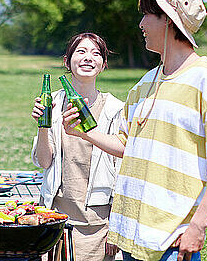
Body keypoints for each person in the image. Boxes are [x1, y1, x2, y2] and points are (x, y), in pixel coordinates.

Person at [62, 0, 207, 261]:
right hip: (133, 237)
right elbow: (125, 143)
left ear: (168, 21)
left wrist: (197, 226)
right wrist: (84, 133)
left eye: (147, 14)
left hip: (171, 240)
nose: (141, 24)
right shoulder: (146, 82)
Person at [31, 32, 124, 261]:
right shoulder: (51, 102)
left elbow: (124, 173)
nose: (88, 58)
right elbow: (44, 161)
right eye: (80, 51)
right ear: (67, 61)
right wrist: (43, 125)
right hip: (55, 220)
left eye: (96, 53)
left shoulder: (115, 109)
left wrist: (118, 227)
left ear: (103, 64)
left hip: (97, 225)